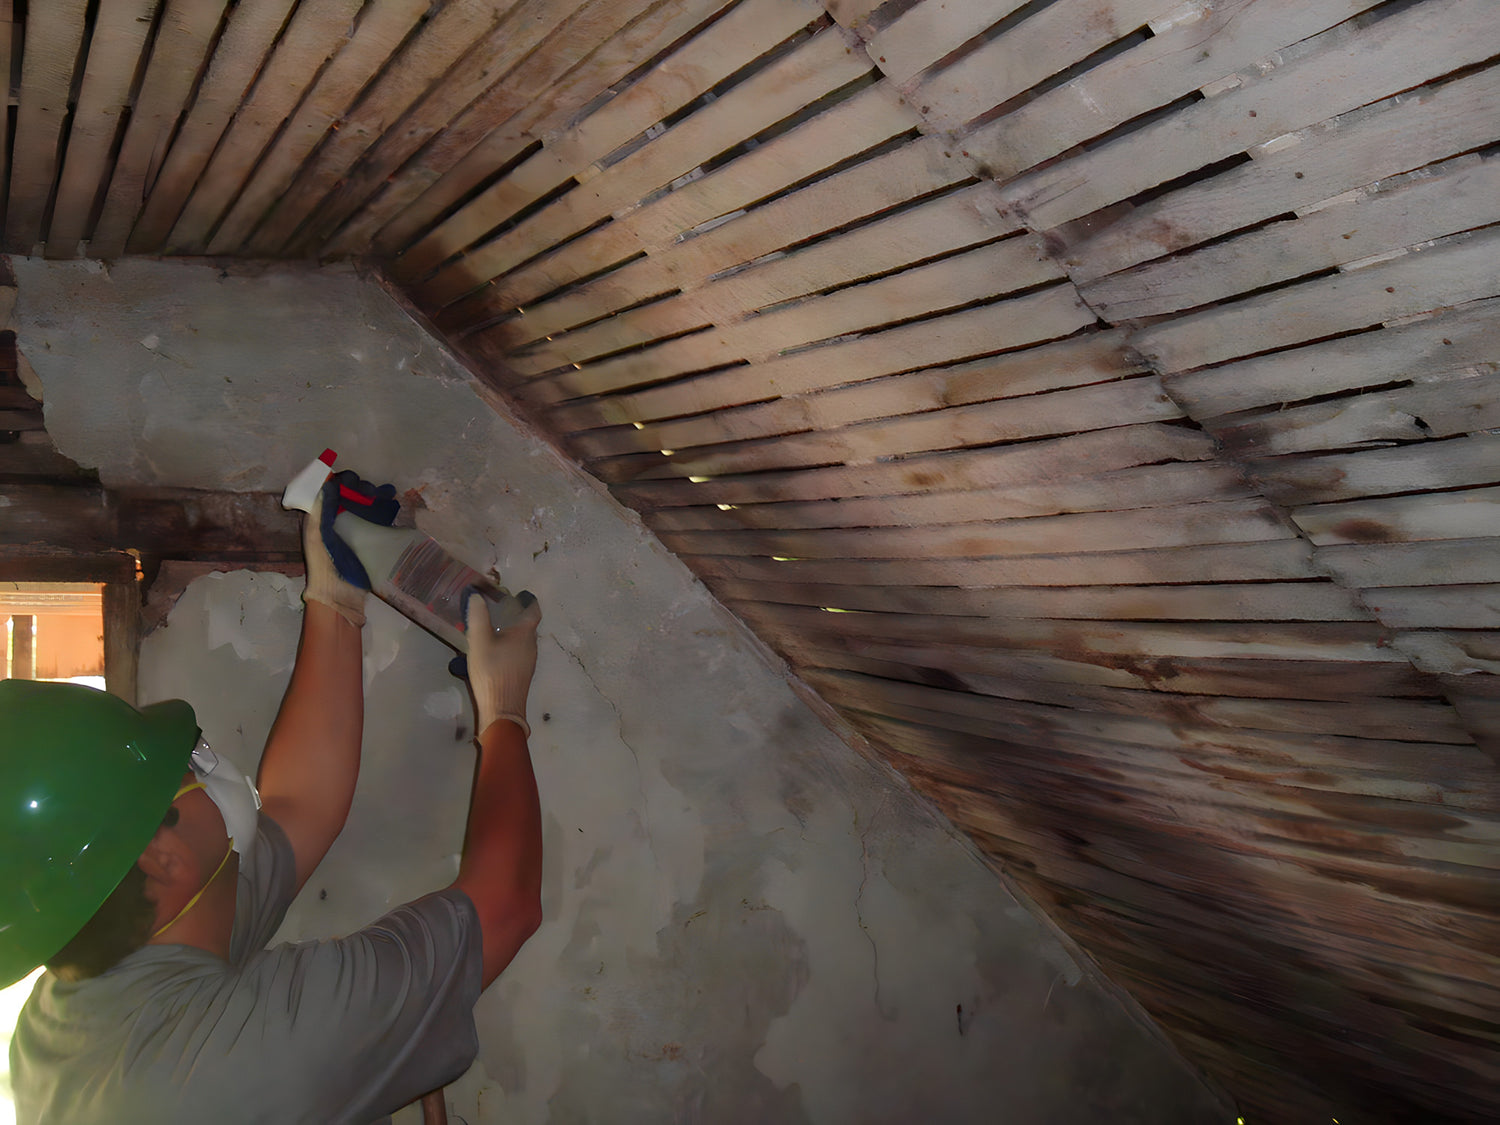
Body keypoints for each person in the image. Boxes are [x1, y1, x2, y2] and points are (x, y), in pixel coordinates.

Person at [0, 471, 543, 1124]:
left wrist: (334, 601)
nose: (203, 756)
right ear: (159, 857)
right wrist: (505, 712)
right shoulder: (230, 1059)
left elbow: (299, 807)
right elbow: (502, 909)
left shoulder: (91, 979)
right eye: (185, 767)